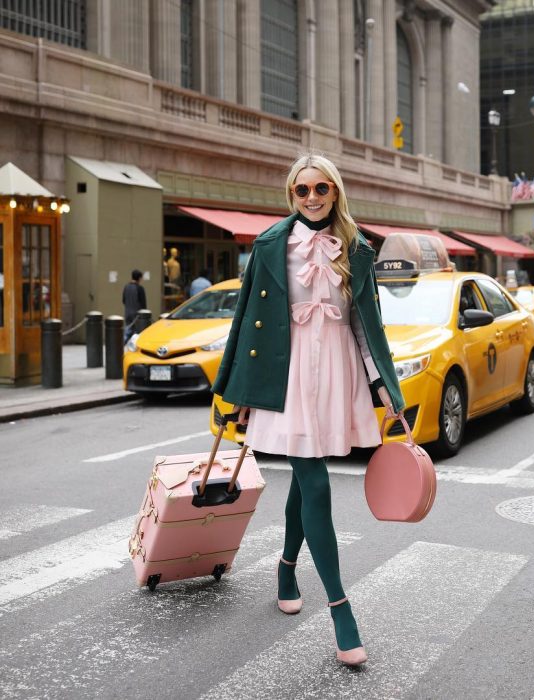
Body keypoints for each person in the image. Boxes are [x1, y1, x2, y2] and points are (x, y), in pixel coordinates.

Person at [212, 154, 404, 667]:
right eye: (303, 190)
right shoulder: (273, 244)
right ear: (291, 194)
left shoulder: (358, 248)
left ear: (336, 191)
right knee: (315, 483)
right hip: (288, 374)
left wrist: (383, 384)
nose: (313, 197)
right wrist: (235, 391)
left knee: (305, 478)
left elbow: (368, 325)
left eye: (322, 188)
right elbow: (247, 318)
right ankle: (341, 608)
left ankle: (286, 566)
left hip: (337, 373)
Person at [122, 269, 146, 341]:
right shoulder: (140, 288)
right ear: (139, 278)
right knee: (136, 333)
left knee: (127, 330)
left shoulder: (126, 287)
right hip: (136, 315)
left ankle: (122, 345)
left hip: (127, 312)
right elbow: (143, 304)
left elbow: (123, 300)